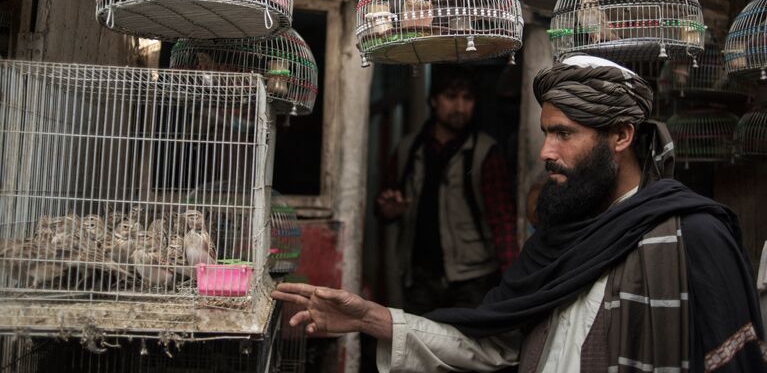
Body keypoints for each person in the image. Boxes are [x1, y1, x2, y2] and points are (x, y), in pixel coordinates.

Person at [274, 55, 767, 372]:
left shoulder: (693, 235)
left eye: (564, 134)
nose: (545, 152)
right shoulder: (557, 243)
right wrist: (374, 319)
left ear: (620, 137)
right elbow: (496, 349)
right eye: (545, 132)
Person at [375, 64, 518, 314]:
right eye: (451, 97)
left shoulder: (485, 152)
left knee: (466, 350)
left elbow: (503, 221)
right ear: (433, 100)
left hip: (473, 279)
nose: (460, 107)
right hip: (419, 276)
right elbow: (384, 202)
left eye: (468, 98)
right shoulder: (408, 149)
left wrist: (514, 283)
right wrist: (387, 209)